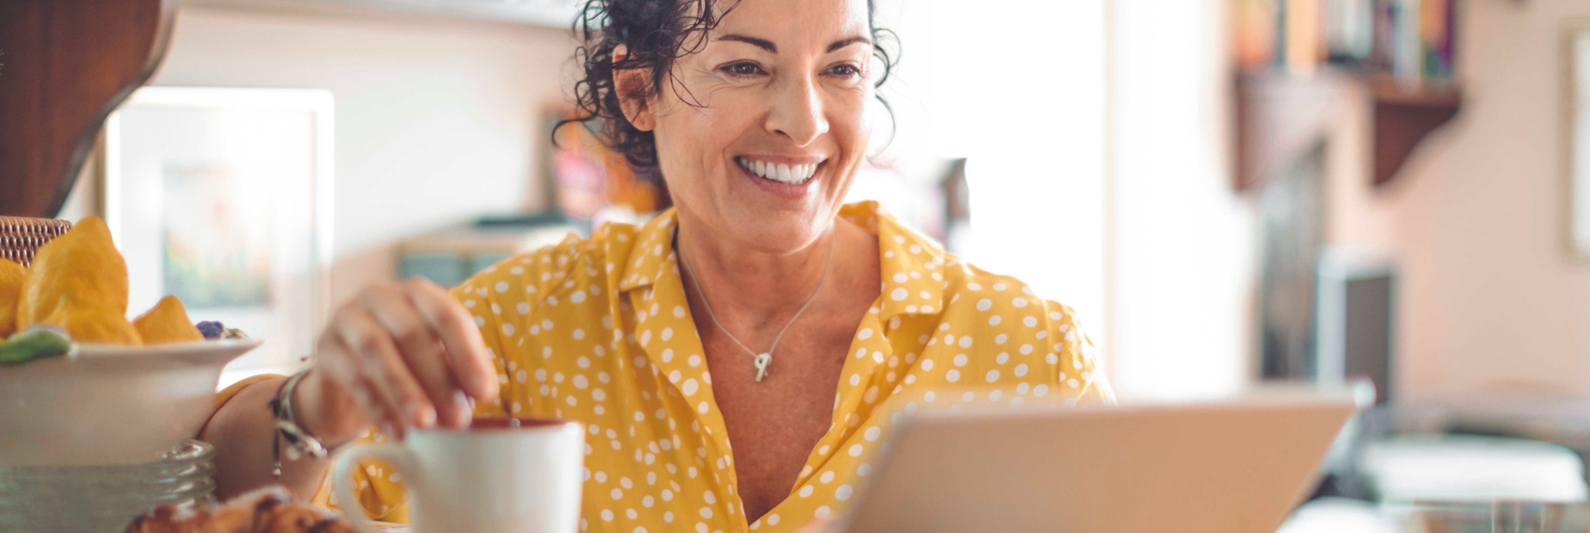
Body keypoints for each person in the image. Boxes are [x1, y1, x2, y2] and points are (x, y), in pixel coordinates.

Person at [199, 0, 1114, 530]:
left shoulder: (1026, 354)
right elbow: (212, 482)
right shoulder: (519, 327)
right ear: (637, 92)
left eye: (841, 69)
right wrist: (314, 406)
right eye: (745, 69)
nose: (804, 121)